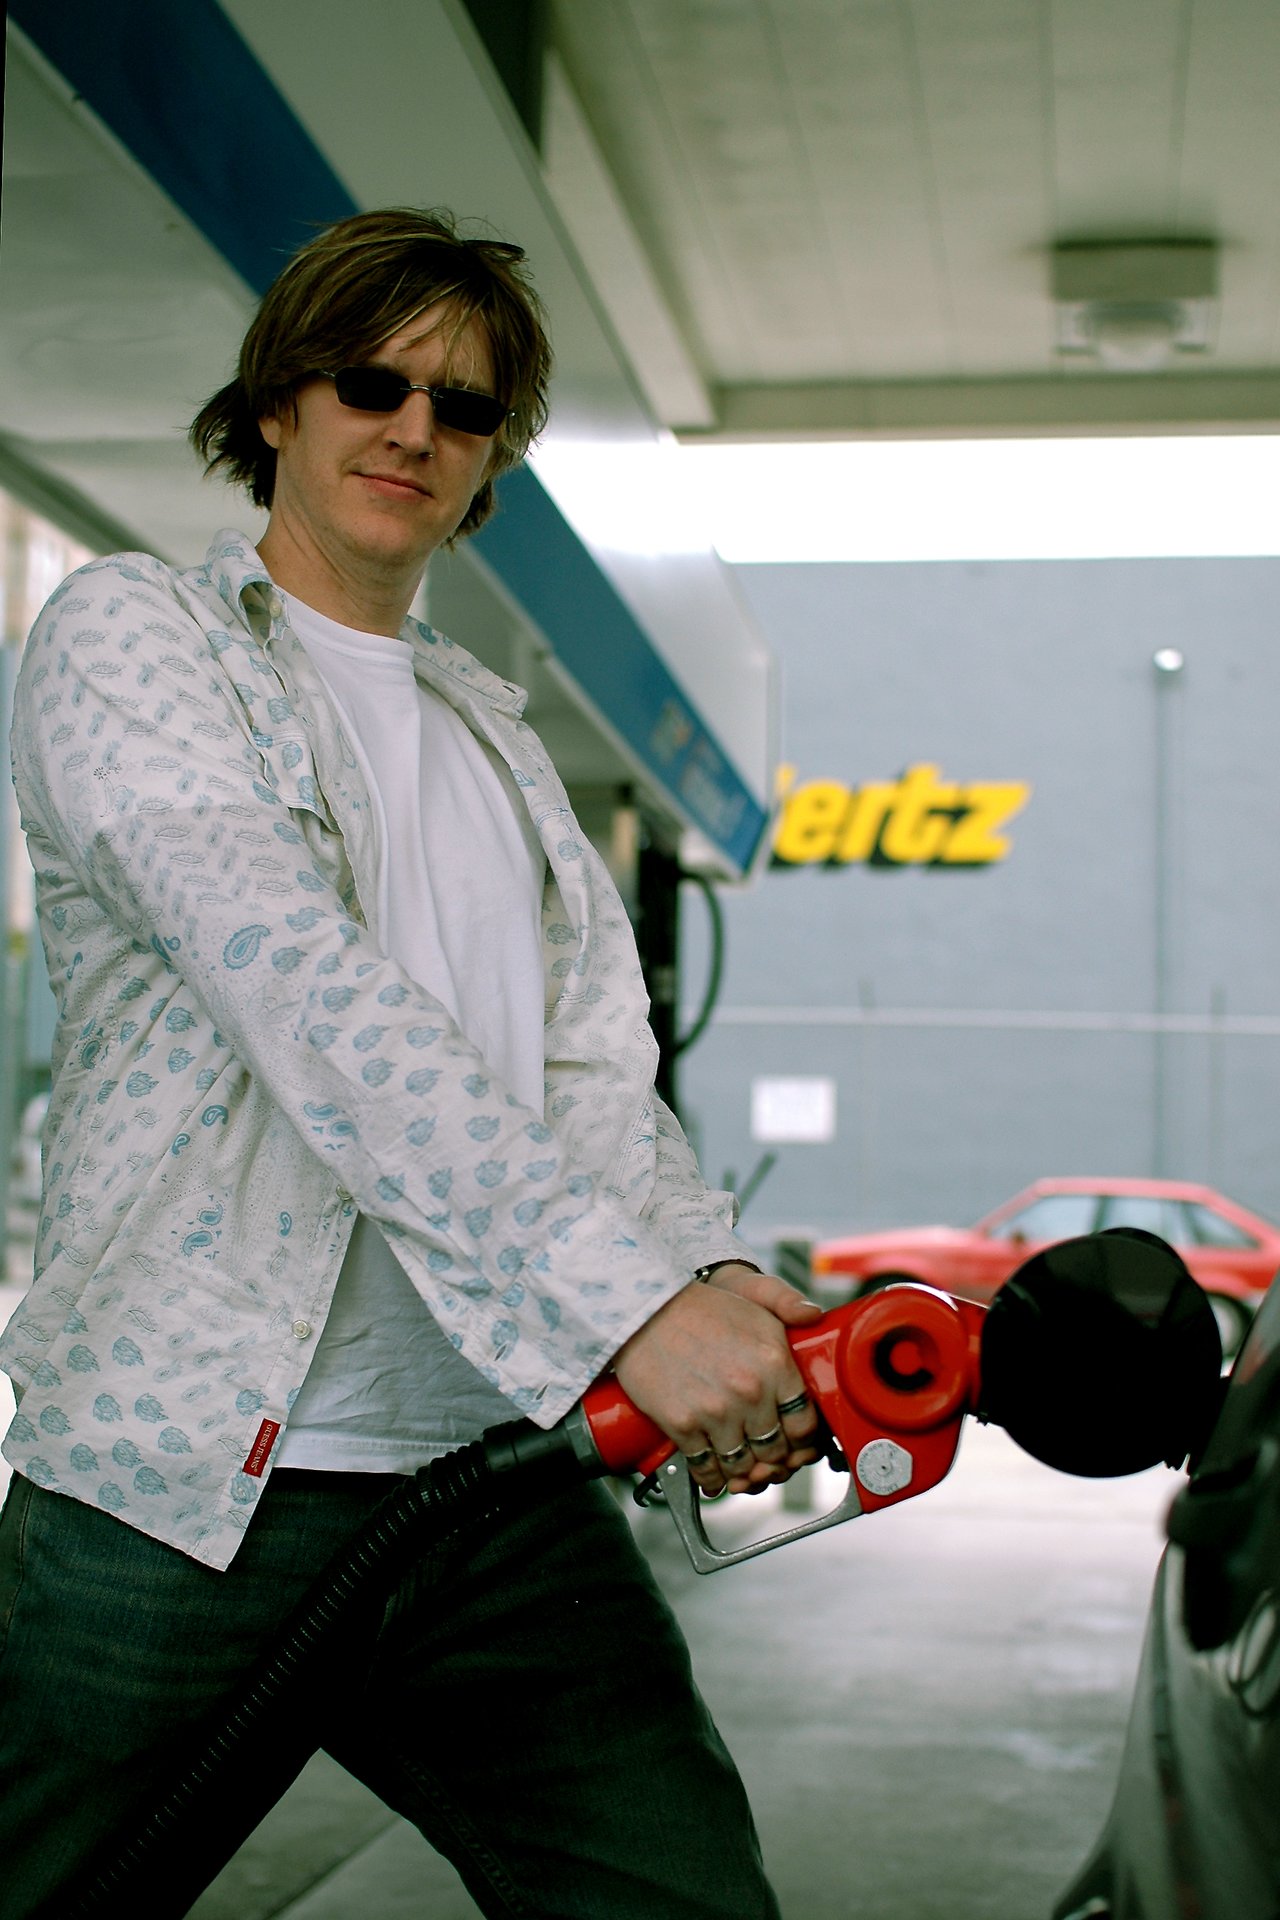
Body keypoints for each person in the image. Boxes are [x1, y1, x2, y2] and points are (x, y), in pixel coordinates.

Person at [0, 207, 820, 1918]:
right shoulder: (135, 637)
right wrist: (628, 1307)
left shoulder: (495, 742)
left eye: (465, 407)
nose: (415, 430)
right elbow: (302, 991)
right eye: (372, 383)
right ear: (279, 403)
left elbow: (591, 1088)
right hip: (182, 1476)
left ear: (494, 455)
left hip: (488, 1475)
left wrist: (714, 1284)